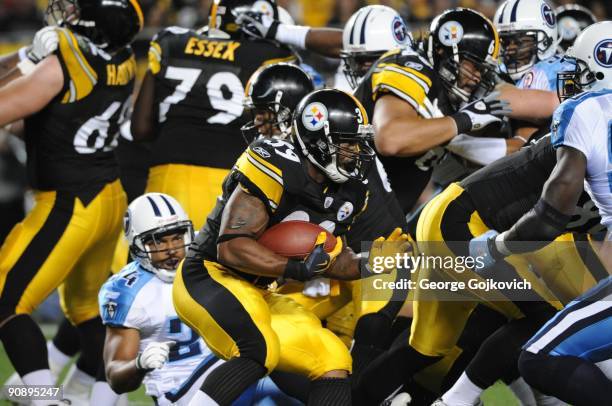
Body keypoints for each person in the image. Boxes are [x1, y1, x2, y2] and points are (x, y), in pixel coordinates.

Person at [173, 88, 410, 405]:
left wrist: (371, 263)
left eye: (358, 142)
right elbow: (231, 247)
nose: (356, 150)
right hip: (210, 275)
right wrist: (295, 268)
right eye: (347, 142)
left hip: (261, 290)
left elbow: (334, 260)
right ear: (318, 139)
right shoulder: (275, 163)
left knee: (332, 359)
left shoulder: (350, 192)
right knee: (258, 348)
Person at [0, 1, 142, 404]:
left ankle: (45, 399)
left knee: (7, 301)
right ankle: (89, 399)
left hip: (69, 202)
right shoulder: (122, 56)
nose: (68, 13)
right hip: (106, 198)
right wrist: (26, 59)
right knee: (87, 313)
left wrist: (29, 61)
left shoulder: (66, 61)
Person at [99, 193, 301, 405]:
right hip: (184, 391)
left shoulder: (207, 253)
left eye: (177, 237)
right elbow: (115, 376)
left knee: (300, 368)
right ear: (137, 246)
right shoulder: (128, 292)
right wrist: (139, 364)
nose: (171, 250)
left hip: (237, 365)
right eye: (158, 242)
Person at [130, 0, 297, 230]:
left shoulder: (171, 42)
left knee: (153, 256)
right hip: (229, 176)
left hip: (166, 172)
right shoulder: (271, 56)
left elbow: (139, 130)